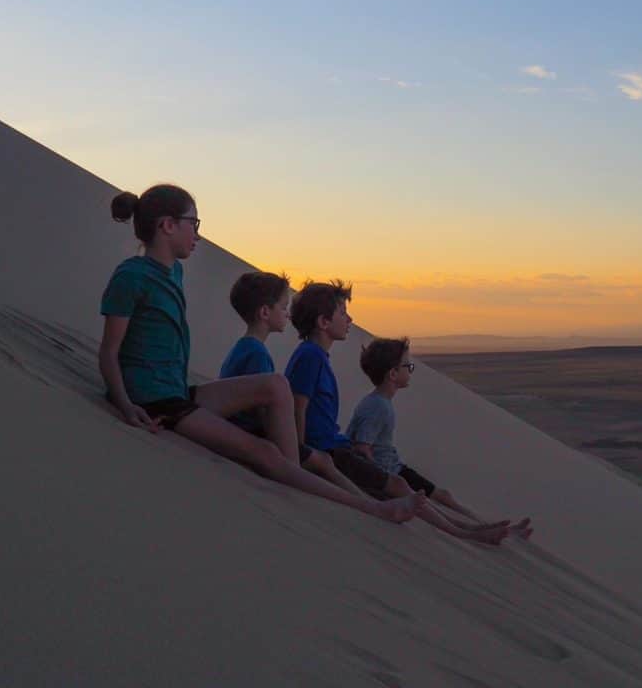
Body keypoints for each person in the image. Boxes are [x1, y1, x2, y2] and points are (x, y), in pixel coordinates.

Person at [97, 184, 422, 524]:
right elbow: (109, 351)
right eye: (193, 223)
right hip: (154, 402)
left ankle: (293, 473)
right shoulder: (131, 276)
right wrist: (125, 405)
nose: (197, 234)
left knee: (277, 385)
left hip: (177, 391)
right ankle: (368, 507)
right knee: (264, 451)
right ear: (167, 225)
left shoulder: (174, 272)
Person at [285, 280, 512, 545]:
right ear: (324, 322)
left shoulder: (316, 356)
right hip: (328, 451)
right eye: (343, 313)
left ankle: (466, 527)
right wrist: (300, 455)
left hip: (335, 448)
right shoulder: (311, 356)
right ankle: (463, 533)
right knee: (399, 487)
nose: (350, 319)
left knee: (399, 486)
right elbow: (297, 407)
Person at [351, 337, 532, 538]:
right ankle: (466, 531)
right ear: (393, 374)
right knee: (427, 505)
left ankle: (486, 525)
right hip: (389, 472)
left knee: (443, 496)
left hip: (395, 467)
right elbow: (361, 446)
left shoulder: (381, 402)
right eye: (407, 366)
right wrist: (381, 479)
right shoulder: (376, 406)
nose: (410, 370)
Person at [219, 270, 366, 496]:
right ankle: (361, 502)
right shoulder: (258, 354)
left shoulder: (247, 348)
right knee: (324, 463)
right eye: (283, 307)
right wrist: (296, 450)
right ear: (265, 312)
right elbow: (274, 410)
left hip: (257, 434)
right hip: (254, 436)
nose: (287, 315)